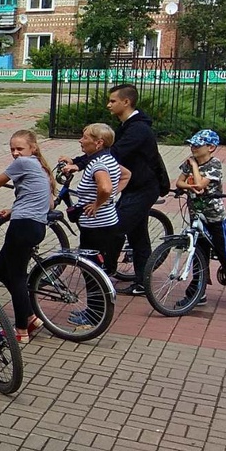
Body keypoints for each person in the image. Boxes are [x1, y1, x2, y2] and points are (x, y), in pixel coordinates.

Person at [62, 84, 169, 296]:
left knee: (115, 229)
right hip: (134, 187)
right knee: (138, 235)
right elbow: (107, 151)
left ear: (126, 102)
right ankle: (142, 281)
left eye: (112, 101)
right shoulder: (128, 125)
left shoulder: (138, 129)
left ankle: (105, 271)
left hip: (143, 188)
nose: (108, 105)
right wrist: (76, 161)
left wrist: (79, 165)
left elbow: (113, 153)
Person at [0, 129, 54, 344]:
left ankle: (21, 329)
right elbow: (48, 203)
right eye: (12, 149)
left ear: (33, 148)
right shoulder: (40, 167)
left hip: (22, 227)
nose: (15, 153)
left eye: (19, 148)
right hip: (36, 226)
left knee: (17, 278)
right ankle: (30, 316)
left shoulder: (23, 163)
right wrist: (14, 210)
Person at [64, 124, 130, 325]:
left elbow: (105, 187)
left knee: (92, 271)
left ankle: (94, 315)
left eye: (85, 138)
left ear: (99, 143)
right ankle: (96, 311)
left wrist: (97, 203)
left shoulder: (99, 165)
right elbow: (126, 175)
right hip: (107, 223)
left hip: (97, 227)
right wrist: (108, 199)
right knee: (97, 270)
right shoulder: (108, 159)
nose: (80, 141)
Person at [176, 129, 226, 301]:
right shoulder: (189, 162)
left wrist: (194, 168)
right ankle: (198, 293)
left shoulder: (214, 164)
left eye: (197, 145)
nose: (193, 148)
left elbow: (200, 184)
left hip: (215, 217)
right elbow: (180, 182)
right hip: (196, 216)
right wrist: (189, 186)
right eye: (192, 145)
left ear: (211, 148)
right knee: (199, 255)